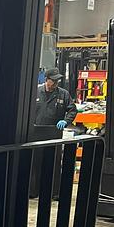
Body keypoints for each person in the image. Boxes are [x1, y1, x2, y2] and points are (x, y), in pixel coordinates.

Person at [29, 67, 78, 198]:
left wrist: (65, 121)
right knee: (35, 163)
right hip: (36, 132)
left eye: (58, 81)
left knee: (54, 163)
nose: (56, 83)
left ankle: (54, 192)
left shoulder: (63, 94)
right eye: (53, 80)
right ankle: (33, 191)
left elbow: (72, 110)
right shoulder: (35, 92)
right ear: (46, 80)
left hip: (54, 133)